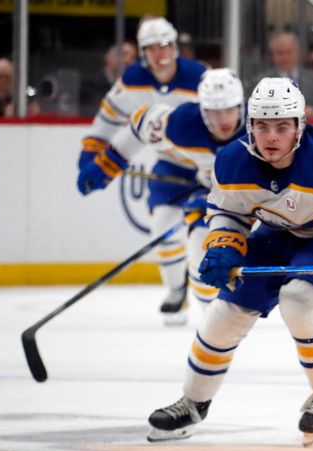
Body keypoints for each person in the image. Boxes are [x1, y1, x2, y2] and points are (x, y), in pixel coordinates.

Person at [146, 77, 313, 446]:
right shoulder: (231, 161)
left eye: (281, 127)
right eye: (262, 126)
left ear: (299, 127)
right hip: (277, 236)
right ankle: (194, 402)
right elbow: (227, 214)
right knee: (224, 314)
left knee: (300, 301)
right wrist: (223, 246)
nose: (271, 137)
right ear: (250, 126)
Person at [77, 68, 247, 315]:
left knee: (203, 248)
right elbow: (141, 123)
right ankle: (177, 290)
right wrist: (105, 165)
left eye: (229, 109)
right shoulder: (182, 123)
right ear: (201, 109)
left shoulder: (261, 129)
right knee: (163, 223)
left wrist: (212, 202)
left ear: (241, 105)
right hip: (184, 169)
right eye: (214, 111)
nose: (223, 120)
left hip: (231, 191)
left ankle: (214, 317)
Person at [76, 17, 207, 324]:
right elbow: (108, 121)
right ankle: (177, 290)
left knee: (204, 237)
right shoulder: (133, 79)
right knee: (161, 225)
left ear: (175, 47)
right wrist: (90, 157)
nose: (160, 54)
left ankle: (215, 303)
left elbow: (223, 124)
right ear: (142, 53)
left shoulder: (199, 76)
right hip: (172, 164)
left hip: (208, 165)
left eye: (165, 46)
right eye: (152, 48)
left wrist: (213, 172)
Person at [256, 32, 313, 121]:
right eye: (280, 53)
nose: (285, 57)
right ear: (272, 55)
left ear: (298, 53)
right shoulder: (262, 82)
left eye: (289, 52)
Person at [79, 41, 138, 117]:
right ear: (108, 56)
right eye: (124, 54)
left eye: (133, 57)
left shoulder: (136, 89)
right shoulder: (90, 87)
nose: (128, 60)